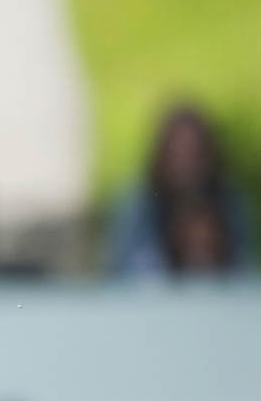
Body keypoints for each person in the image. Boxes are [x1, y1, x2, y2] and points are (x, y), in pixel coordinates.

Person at [109, 103, 256, 276]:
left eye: (193, 152)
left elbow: (243, 270)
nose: (185, 164)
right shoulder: (138, 209)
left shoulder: (229, 204)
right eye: (178, 153)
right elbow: (124, 274)